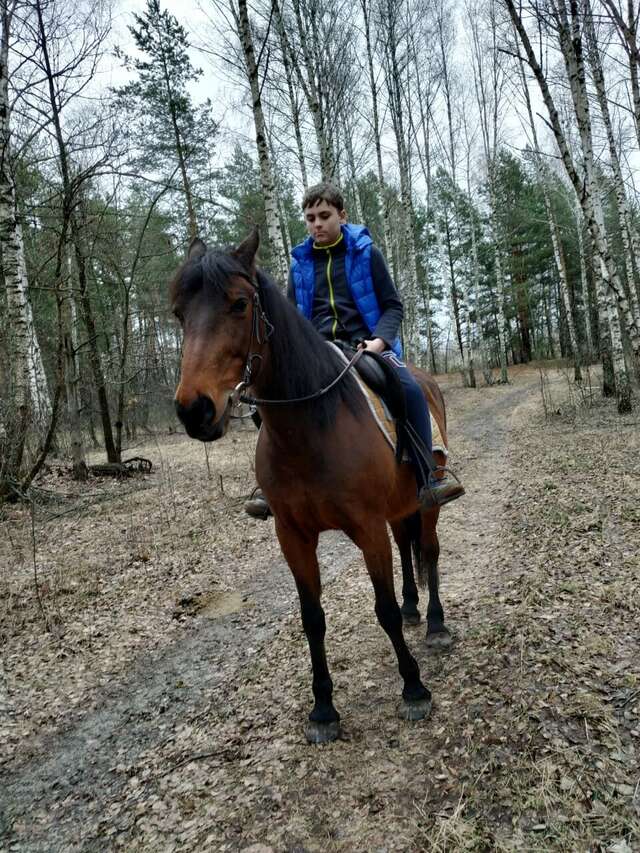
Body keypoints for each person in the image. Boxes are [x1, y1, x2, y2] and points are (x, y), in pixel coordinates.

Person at [244, 182, 464, 519]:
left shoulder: (366, 253)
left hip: (366, 345)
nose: (316, 224)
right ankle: (272, 486)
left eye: (324, 216)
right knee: (267, 399)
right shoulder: (301, 265)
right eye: (310, 218)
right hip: (314, 353)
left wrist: (378, 341)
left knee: (410, 389)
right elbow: (289, 316)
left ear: (342, 216)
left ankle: (428, 478)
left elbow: (393, 307)